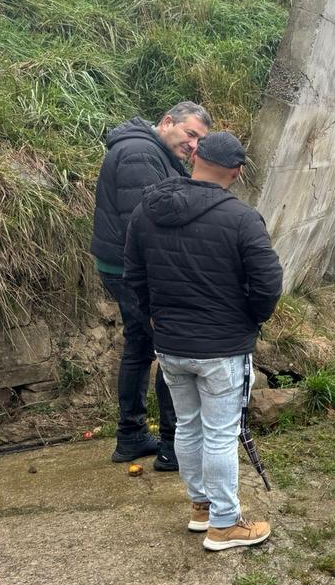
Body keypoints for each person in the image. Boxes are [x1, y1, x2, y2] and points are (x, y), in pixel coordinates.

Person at [124, 131, 283, 551]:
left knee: (188, 426)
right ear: (237, 172)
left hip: (171, 345)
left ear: (194, 157)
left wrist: (154, 321)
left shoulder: (146, 209)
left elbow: (133, 276)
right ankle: (225, 524)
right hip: (222, 347)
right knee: (219, 434)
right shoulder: (242, 218)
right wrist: (251, 319)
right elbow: (268, 284)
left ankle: (202, 509)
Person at [92, 101, 211, 469]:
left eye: (199, 141)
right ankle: (173, 445)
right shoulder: (140, 154)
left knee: (140, 345)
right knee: (171, 346)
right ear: (167, 122)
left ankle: (131, 436)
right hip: (134, 269)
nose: (193, 145)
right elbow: (146, 223)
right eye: (190, 134)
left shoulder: (149, 149)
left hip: (121, 265)